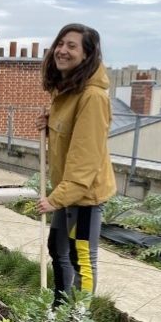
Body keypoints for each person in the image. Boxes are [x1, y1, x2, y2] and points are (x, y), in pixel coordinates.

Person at [35, 24, 116, 302]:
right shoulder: (67, 90)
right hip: (67, 192)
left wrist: (56, 200)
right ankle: (60, 311)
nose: (62, 50)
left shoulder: (92, 97)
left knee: (81, 259)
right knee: (58, 248)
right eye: (60, 43)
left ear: (87, 54)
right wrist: (49, 126)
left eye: (72, 46)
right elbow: (68, 141)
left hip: (83, 196)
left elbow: (85, 158)